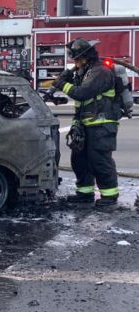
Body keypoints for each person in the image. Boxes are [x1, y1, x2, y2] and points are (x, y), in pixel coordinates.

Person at [53, 38, 121, 206]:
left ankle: (109, 196)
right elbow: (80, 101)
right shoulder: (85, 72)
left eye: (77, 59)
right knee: (80, 160)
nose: (75, 63)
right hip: (86, 123)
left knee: (99, 160)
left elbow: (82, 93)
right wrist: (66, 77)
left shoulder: (100, 72)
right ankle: (85, 193)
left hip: (101, 125)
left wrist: (62, 84)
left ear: (86, 57)